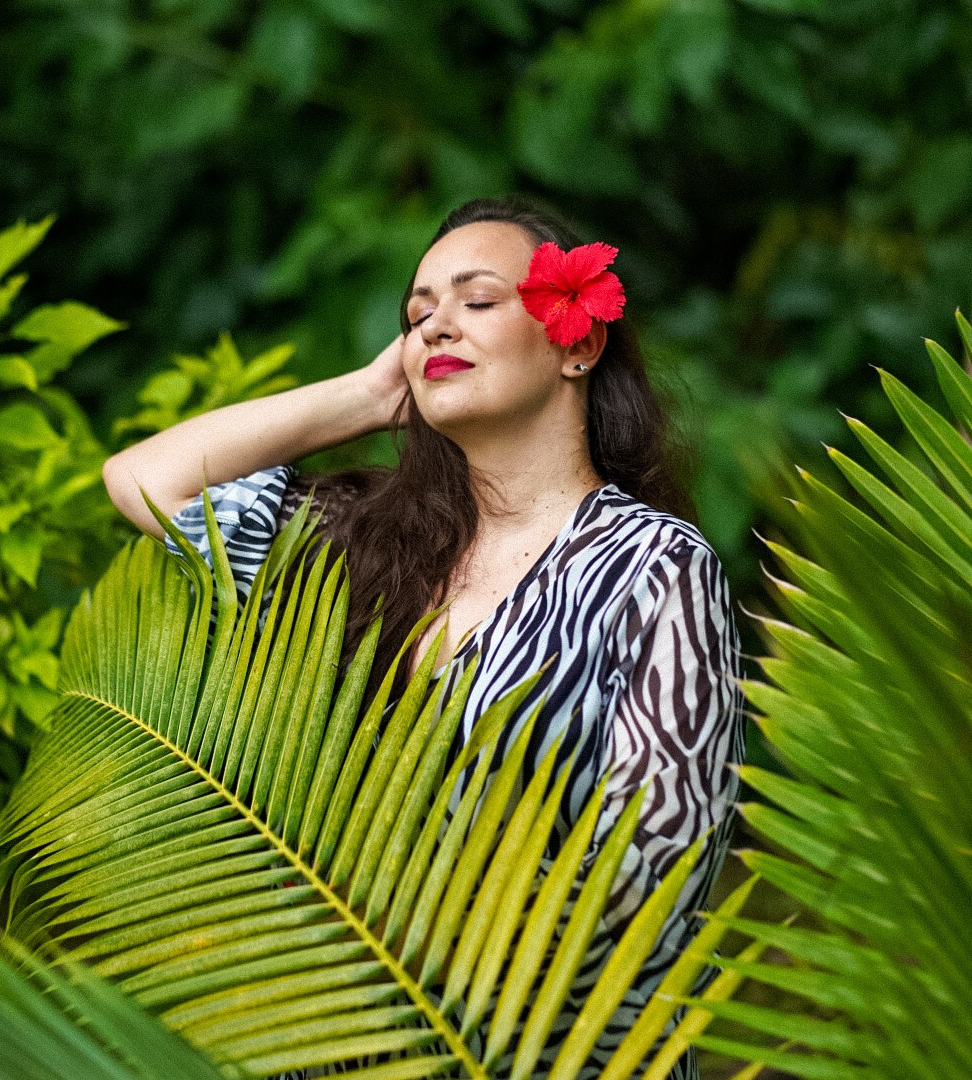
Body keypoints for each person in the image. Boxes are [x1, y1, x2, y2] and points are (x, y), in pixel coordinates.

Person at [103, 197, 744, 1080]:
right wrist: (364, 395)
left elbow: (648, 876)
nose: (438, 322)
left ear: (577, 343)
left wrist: (395, 949)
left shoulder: (655, 569)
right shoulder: (363, 541)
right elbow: (146, 481)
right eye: (417, 315)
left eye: (478, 301)